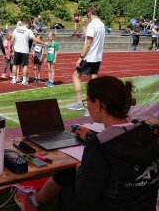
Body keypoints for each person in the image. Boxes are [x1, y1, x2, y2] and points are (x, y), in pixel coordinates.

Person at [15, 76, 159, 211]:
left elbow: (85, 196)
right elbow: (122, 144)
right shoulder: (147, 132)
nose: (87, 105)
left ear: (97, 104)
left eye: (87, 101)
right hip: (144, 205)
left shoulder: (99, 146)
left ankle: (33, 202)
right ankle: (33, 201)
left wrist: (81, 170)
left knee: (69, 175)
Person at [67, 5, 105, 111]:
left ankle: (79, 103)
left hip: (90, 57)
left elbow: (87, 43)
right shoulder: (101, 24)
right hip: (97, 57)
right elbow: (89, 37)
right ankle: (93, 102)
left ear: (89, 13)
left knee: (75, 76)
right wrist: (83, 25)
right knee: (93, 80)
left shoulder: (93, 25)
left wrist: (80, 58)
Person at [11, 19, 46, 85]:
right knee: (25, 65)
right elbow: (35, 39)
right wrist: (43, 43)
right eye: (29, 25)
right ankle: (24, 80)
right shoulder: (28, 30)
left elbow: (12, 40)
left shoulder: (16, 30)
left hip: (16, 49)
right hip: (24, 50)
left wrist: (10, 48)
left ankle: (13, 79)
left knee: (15, 64)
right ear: (27, 24)